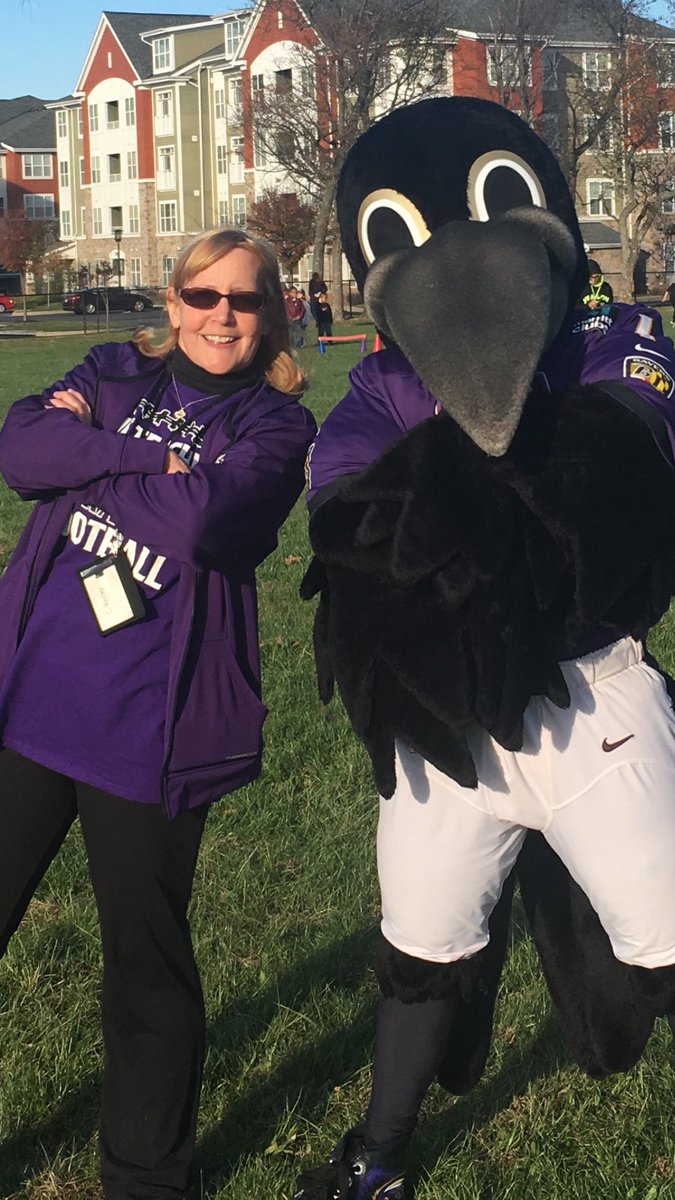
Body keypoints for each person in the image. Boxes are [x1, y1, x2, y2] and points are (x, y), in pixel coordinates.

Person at [294, 96, 675, 1200]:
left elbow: (621, 467)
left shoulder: (614, 333)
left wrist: (439, 503)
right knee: (421, 947)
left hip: (586, 700)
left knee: (663, 939)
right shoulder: (377, 382)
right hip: (443, 717)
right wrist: (477, 506)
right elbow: (346, 519)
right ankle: (378, 1154)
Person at [0, 226, 315, 1200]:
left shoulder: (279, 426)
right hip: (30, 709)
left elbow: (209, 523)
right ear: (172, 304)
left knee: (146, 962)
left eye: (245, 300)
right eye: (204, 295)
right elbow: (21, 447)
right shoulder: (110, 369)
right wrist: (148, 461)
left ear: (271, 318)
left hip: (151, 736)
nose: (224, 315)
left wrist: (96, 463)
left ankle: (144, 1178)